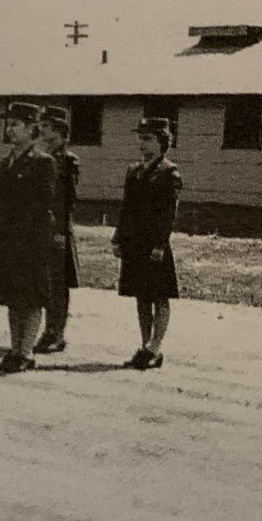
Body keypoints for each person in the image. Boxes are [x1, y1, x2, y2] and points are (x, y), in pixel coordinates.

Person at [0, 102, 57, 375]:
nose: (9, 129)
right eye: (8, 124)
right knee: (13, 298)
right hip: (7, 240)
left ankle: (26, 352)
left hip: (30, 240)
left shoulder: (42, 163)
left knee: (31, 298)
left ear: (31, 129)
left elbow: (41, 204)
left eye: (16, 124)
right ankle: (14, 349)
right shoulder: (5, 163)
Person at [114, 118, 182, 370]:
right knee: (141, 297)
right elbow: (126, 208)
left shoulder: (169, 172)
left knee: (159, 296)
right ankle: (145, 347)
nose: (143, 144)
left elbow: (168, 214)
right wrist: (118, 237)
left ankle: (155, 346)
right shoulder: (134, 171)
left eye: (149, 139)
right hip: (135, 242)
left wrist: (160, 244)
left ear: (163, 142)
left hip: (155, 244)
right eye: (141, 138)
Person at [36, 107, 80, 354]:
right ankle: (47, 330)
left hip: (57, 231)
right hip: (42, 228)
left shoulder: (67, 160)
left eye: (47, 126)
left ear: (60, 131)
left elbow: (67, 200)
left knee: (58, 284)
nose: (41, 130)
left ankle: (56, 333)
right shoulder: (43, 156)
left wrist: (61, 232)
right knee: (44, 281)